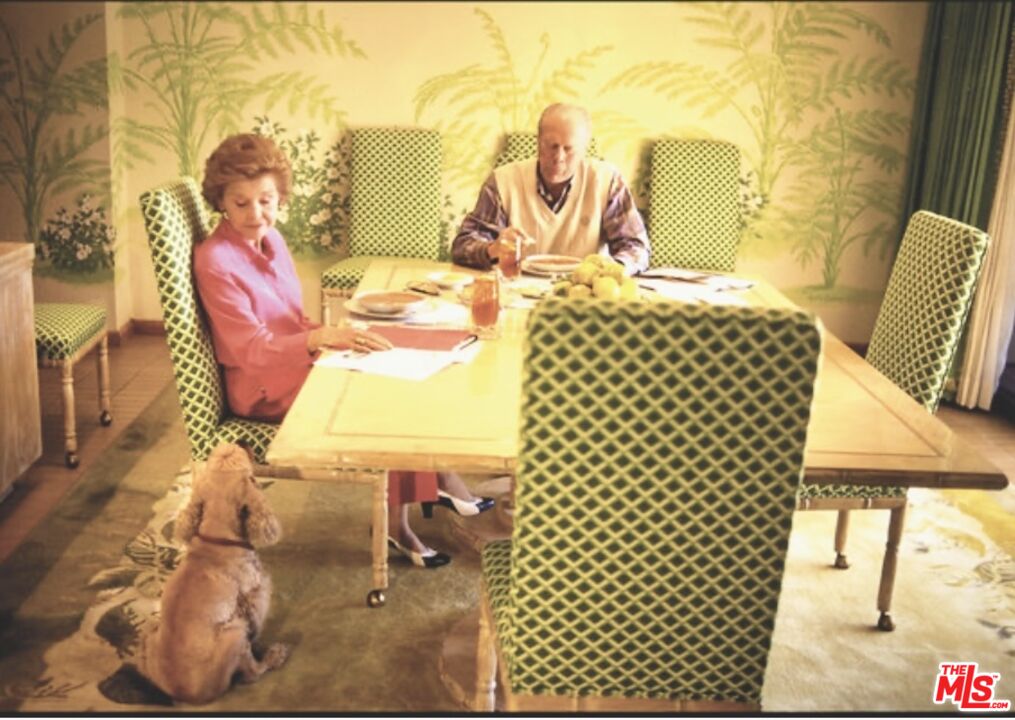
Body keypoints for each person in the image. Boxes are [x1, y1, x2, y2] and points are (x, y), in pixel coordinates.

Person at [195, 133, 490, 570]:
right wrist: (321, 340)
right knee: (379, 394)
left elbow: (291, 321)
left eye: (267, 200)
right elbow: (251, 350)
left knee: (397, 361)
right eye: (242, 204)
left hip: (295, 359)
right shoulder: (215, 260)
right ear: (221, 201)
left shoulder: (271, 241)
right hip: (260, 384)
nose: (257, 215)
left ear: (281, 197)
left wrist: (337, 333)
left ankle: (424, 493)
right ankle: (413, 508)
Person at [452, 103, 650, 274]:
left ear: (584, 149)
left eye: (569, 148)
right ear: (538, 142)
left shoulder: (606, 181)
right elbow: (462, 247)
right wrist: (493, 249)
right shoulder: (504, 180)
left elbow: (636, 248)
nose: (559, 157)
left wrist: (612, 271)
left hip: (581, 293)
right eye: (551, 146)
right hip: (518, 289)